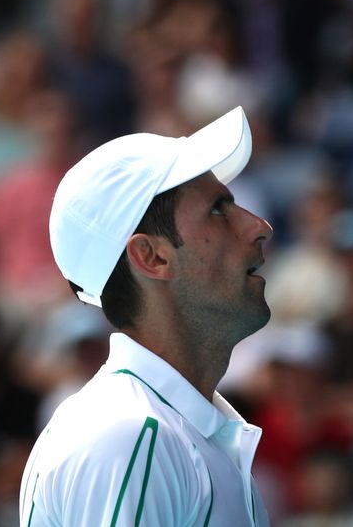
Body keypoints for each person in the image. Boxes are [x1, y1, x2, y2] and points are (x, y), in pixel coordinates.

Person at [19, 106, 274, 526]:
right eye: (217, 209)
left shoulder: (150, 432)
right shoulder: (130, 436)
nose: (258, 225)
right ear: (151, 256)